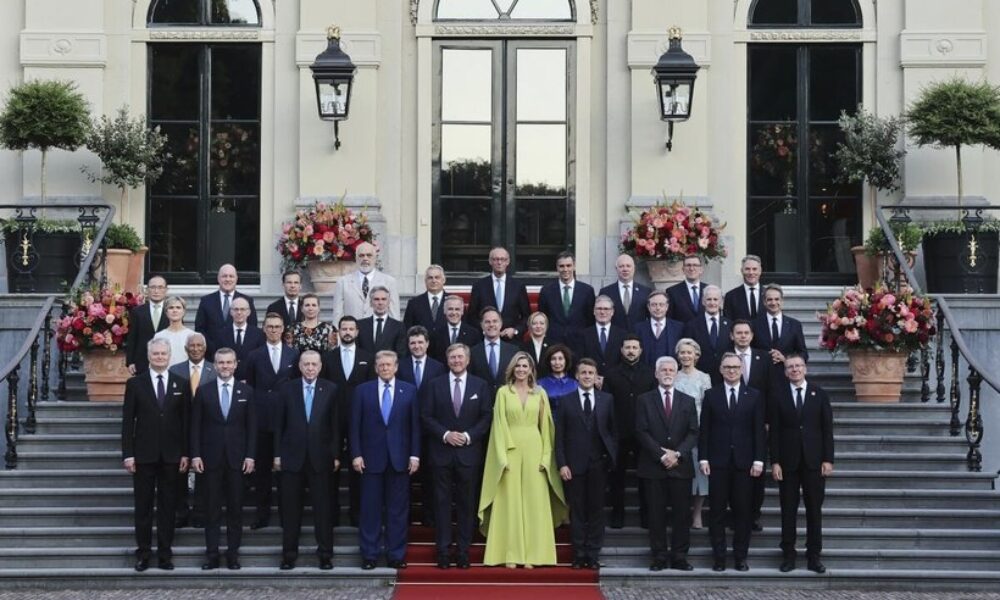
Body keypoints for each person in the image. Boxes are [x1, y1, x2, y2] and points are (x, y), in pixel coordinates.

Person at [479, 352, 567, 567]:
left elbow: (546, 427)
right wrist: (502, 457)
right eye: (517, 366)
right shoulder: (503, 392)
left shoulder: (540, 393)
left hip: (535, 449)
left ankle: (534, 556)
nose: (521, 369)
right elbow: (498, 425)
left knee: (535, 503)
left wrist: (546, 457)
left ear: (531, 370)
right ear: (512, 368)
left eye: (525, 366)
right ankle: (510, 554)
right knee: (510, 503)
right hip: (510, 449)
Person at [421, 343, 493, 569]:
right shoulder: (434, 385)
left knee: (466, 504)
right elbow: (426, 416)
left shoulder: (480, 385)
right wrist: (445, 434)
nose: (456, 361)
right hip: (441, 453)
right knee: (441, 504)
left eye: (460, 357)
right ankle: (443, 551)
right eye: (452, 357)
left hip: (469, 454)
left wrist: (468, 436)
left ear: (468, 360)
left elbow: (486, 417)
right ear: (447, 360)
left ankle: (463, 551)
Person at [121, 338, 190, 571]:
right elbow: (127, 422)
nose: (160, 357)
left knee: (168, 507)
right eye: (156, 353)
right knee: (143, 507)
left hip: (172, 456)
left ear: (169, 356)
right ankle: (143, 553)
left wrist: (186, 453)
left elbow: (185, 423)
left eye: (163, 354)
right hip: (143, 455)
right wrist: (128, 454)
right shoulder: (135, 384)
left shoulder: (181, 383)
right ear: (149, 356)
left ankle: (164, 554)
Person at [351, 350, 421, 570]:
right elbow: (354, 426)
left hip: (400, 459)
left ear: (396, 367)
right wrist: (356, 454)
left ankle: (396, 555)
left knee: (397, 511)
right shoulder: (362, 391)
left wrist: (415, 454)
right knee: (370, 510)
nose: (385, 368)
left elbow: (415, 426)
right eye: (381, 365)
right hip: (370, 459)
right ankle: (369, 555)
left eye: (389, 364)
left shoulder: (409, 390)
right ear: (375, 368)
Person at [190, 348, 256, 570]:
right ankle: (212, 555)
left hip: (238, 460)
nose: (225, 366)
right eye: (221, 363)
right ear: (215, 365)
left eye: (229, 362)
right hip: (210, 459)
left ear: (236, 364)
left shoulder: (247, 391)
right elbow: (195, 426)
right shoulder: (203, 391)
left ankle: (232, 554)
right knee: (212, 510)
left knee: (236, 510)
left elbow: (252, 427)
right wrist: (196, 454)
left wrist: (250, 455)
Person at [698, 353, 765, 572]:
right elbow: (705, 429)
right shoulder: (711, 395)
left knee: (743, 513)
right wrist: (703, 457)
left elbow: (758, 430)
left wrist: (759, 460)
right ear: (721, 369)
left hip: (745, 464)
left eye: (735, 367)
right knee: (716, 512)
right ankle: (719, 557)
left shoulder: (754, 395)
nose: (732, 371)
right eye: (727, 367)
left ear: (742, 369)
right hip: (717, 462)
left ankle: (740, 557)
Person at [273, 350, 339, 570]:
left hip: (321, 458)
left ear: (320, 367)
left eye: (314, 364)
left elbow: (335, 426)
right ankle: (289, 555)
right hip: (292, 458)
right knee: (291, 510)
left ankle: (325, 554)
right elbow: (279, 425)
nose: (310, 368)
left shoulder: (331, 389)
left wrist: (335, 455)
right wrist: (277, 454)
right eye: (306, 364)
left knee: (323, 510)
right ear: (300, 367)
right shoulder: (287, 389)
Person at [770, 354, 834, 574]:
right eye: (790, 367)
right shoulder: (778, 395)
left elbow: (827, 429)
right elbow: (774, 432)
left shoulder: (819, 394)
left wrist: (828, 459)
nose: (795, 369)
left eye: (798, 366)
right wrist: (775, 462)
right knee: (788, 510)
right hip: (787, 463)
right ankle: (788, 554)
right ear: (785, 371)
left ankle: (814, 555)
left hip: (814, 462)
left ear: (805, 368)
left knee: (814, 510)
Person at [634, 356, 698, 572]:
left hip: (681, 466)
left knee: (682, 515)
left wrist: (677, 454)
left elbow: (693, 432)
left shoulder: (688, 400)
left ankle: (680, 556)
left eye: (671, 370)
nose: (668, 373)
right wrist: (662, 455)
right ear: (656, 374)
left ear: (676, 373)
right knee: (656, 515)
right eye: (664, 370)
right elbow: (641, 431)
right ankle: (659, 556)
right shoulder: (644, 400)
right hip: (653, 466)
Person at [554, 359, 617, 570]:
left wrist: (611, 458)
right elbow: (559, 436)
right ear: (577, 376)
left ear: (596, 376)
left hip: (599, 464)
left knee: (597, 511)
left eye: (591, 372)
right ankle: (579, 554)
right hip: (574, 466)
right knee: (578, 511)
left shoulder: (607, 399)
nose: (587, 376)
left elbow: (613, 432)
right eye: (583, 372)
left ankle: (593, 554)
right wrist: (562, 464)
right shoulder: (566, 401)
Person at [243, 313, 300, 530]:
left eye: (277, 326)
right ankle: (262, 515)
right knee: (262, 472)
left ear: (283, 329)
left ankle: (287, 516)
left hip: (287, 420)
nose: (274, 330)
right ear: (264, 329)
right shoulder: (254, 355)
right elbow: (250, 386)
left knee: (286, 473)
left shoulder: (294, 354)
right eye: (270, 326)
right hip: (262, 419)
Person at [320, 316, 374, 527]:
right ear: (338, 332)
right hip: (332, 421)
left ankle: (356, 513)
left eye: (351, 329)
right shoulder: (327, 357)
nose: (348, 332)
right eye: (344, 329)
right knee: (331, 468)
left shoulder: (367, 357)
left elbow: (370, 391)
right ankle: (332, 514)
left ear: (357, 332)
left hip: (359, 421)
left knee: (357, 469)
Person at [602, 334, 656, 529]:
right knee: (617, 477)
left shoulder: (650, 373)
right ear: (621, 350)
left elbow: (654, 403)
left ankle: (646, 516)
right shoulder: (611, 374)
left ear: (640, 350)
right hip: (619, 432)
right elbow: (606, 404)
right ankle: (617, 515)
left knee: (645, 477)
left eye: (634, 347)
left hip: (644, 433)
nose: (631, 351)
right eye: (627, 347)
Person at [169, 332, 216, 529]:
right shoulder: (175, 370)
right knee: (178, 471)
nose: (196, 349)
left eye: (199, 345)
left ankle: (199, 512)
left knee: (203, 472)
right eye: (192, 346)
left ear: (205, 348)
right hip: (179, 428)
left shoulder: (215, 369)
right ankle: (180, 512)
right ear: (186, 349)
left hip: (207, 430)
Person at [729, 319, 771, 531]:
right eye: (739, 333)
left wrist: (768, 420)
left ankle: (753, 515)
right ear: (732, 336)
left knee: (757, 471)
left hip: (758, 423)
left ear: (752, 336)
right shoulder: (724, 358)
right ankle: (734, 515)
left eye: (746, 333)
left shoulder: (764, 358)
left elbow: (771, 390)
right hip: (730, 425)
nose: (743, 336)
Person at [673, 338, 712, 530]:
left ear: (696, 355)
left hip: (698, 430)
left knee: (699, 474)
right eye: (682, 352)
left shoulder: (704, 377)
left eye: (689, 352)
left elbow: (708, 405)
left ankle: (697, 513)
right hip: (676, 431)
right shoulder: (673, 375)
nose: (686, 356)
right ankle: (681, 512)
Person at [467, 246, 531, 341]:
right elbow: (471, 316)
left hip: (511, 341)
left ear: (508, 262)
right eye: (496, 259)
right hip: (485, 339)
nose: (499, 262)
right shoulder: (479, 286)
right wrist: (485, 330)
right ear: (490, 261)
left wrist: (515, 330)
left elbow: (527, 316)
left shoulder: (518, 286)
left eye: (503, 259)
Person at [752, 283, 809, 389]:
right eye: (769, 299)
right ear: (764, 302)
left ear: (782, 301)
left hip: (788, 379)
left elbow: (803, 354)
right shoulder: (754, 325)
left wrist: (785, 359)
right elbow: (750, 351)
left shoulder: (794, 325)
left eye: (777, 299)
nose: (773, 303)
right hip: (761, 379)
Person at [332, 241, 401, 323]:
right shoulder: (343, 282)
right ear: (356, 258)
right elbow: (337, 314)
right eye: (361, 255)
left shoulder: (389, 282)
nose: (365, 259)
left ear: (375, 258)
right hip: (352, 330)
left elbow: (394, 314)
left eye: (369, 255)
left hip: (378, 329)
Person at [537, 251, 595, 343]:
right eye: (561, 266)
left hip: (579, 341)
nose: (565, 269)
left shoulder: (587, 291)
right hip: (554, 342)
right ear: (557, 267)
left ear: (574, 266)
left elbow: (590, 319)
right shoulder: (546, 291)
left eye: (568, 265)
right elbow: (543, 317)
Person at [682, 285, 732, 385]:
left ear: (721, 302)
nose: (712, 303)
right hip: (699, 377)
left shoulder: (730, 325)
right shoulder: (692, 325)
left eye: (715, 299)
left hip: (725, 377)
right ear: (703, 302)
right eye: (709, 299)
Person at [194, 263, 258, 335]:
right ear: (218, 278)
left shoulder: (247, 301)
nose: (228, 279)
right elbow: (199, 329)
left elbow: (252, 328)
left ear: (236, 279)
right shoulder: (206, 301)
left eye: (231, 276)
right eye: (224, 276)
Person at [571, 295, 627, 376]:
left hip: (615, 380)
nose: (602, 312)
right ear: (594, 311)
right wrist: (594, 377)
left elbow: (624, 361)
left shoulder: (622, 335)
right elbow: (580, 360)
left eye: (606, 309)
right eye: (599, 308)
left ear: (612, 312)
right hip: (591, 379)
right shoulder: (583, 335)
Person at [209, 297, 265, 377]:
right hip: (227, 379)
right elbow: (216, 358)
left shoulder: (259, 334)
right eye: (236, 309)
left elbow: (261, 360)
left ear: (249, 312)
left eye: (242, 309)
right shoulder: (220, 334)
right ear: (231, 312)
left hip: (251, 380)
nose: (239, 312)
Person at [125, 275, 170, 375]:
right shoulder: (137, 312)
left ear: (166, 290)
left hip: (167, 361)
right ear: (147, 290)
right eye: (153, 287)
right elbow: (132, 337)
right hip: (142, 361)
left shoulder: (172, 310)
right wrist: (130, 361)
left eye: (160, 287)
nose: (156, 291)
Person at [469, 307, 519, 394]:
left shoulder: (514, 351)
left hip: (507, 398)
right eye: (487, 322)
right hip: (482, 398)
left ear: (501, 324)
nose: (491, 324)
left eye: (495, 321)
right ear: (481, 325)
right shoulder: (472, 352)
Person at [633, 291, 684, 368]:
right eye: (654, 305)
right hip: (644, 373)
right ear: (648, 307)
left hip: (670, 373)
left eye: (661, 304)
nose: (658, 308)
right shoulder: (638, 328)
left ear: (667, 307)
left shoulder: (679, 328)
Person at [599, 254, 651, 330]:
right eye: (621, 266)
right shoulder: (606, 292)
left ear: (634, 268)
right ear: (616, 269)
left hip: (638, 335)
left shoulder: (646, 292)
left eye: (628, 266)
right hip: (614, 335)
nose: (625, 269)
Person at [430, 295, 481, 363]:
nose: (454, 313)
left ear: (462, 311)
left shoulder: (473, 334)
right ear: (444, 311)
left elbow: (476, 359)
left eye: (457, 309)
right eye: (450, 309)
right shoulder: (435, 334)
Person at [357, 286, 407, 355]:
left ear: (389, 302)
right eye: (376, 299)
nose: (380, 303)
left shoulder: (399, 327)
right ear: (370, 303)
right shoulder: (360, 325)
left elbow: (401, 353)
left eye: (384, 299)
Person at [397, 326, 446, 395]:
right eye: (413, 343)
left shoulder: (438, 367)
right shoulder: (400, 366)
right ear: (408, 345)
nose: (416, 346)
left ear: (427, 343)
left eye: (420, 342)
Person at [403, 265, 448, 333]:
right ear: (425, 281)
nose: (434, 281)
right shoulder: (414, 304)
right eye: (430, 278)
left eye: (437, 277)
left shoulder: (453, 301)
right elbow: (407, 330)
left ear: (443, 280)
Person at [152, 296, 195, 367]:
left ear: (184, 311)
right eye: (171, 308)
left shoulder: (192, 335)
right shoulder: (159, 336)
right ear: (166, 312)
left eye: (178, 307)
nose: (174, 310)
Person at [666, 255, 708, 324]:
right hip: (682, 330)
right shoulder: (672, 292)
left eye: (695, 265)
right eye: (688, 265)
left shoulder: (709, 290)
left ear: (701, 269)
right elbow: (669, 319)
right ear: (683, 269)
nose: (691, 268)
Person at [723, 254, 764, 321]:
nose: (751, 272)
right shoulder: (731, 296)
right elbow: (728, 322)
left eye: (754, 269)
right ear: (742, 271)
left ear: (760, 271)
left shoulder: (768, 294)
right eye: (747, 269)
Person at [536, 344, 577, 411]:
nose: (557, 362)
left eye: (560, 359)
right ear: (549, 362)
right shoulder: (540, 384)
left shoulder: (575, 384)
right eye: (553, 359)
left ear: (566, 361)